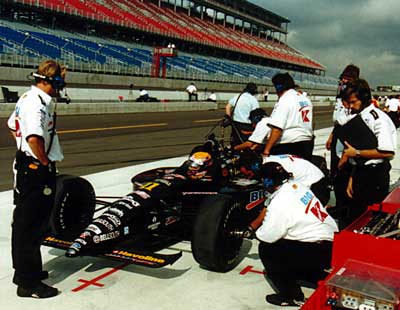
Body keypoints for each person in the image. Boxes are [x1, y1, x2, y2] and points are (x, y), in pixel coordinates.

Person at [7, 59, 66, 298]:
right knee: (30, 226)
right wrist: (41, 161)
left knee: (27, 223)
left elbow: (12, 125)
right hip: (35, 171)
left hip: (27, 166)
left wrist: (23, 150)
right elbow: (34, 137)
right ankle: (28, 284)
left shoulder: (28, 98)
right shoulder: (36, 105)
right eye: (61, 81)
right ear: (54, 81)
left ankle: (24, 272)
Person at [247, 162, 338, 307]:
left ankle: (291, 296)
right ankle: (311, 274)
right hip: (333, 244)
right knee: (293, 240)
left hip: (318, 251)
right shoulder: (298, 186)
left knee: (268, 249)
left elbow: (268, 236)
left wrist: (254, 232)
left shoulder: (280, 202)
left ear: (267, 181)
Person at [337, 78, 396, 227]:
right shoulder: (360, 117)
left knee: (368, 219)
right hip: (361, 172)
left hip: (374, 175)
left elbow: (387, 152)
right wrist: (353, 177)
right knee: (356, 216)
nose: (350, 107)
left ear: (363, 99)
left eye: (353, 102)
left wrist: (355, 153)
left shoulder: (378, 119)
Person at [325, 64, 360, 212]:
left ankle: (345, 206)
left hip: (348, 134)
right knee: (335, 170)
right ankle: (339, 204)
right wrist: (331, 136)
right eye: (343, 78)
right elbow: (337, 120)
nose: (343, 81)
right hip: (338, 132)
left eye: (347, 78)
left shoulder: (354, 96)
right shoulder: (340, 94)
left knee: (344, 170)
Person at [262, 73, 314, 161]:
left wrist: (266, 151)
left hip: (288, 146)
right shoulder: (305, 99)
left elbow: (277, 128)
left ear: (278, 87)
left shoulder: (285, 100)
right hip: (307, 144)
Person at [225, 82, 260, 146]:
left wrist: (229, 117)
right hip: (247, 125)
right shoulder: (253, 100)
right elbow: (256, 114)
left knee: (236, 142)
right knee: (245, 144)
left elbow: (228, 106)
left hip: (236, 124)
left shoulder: (238, 96)